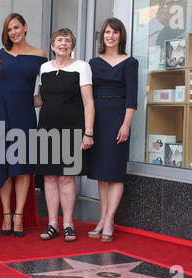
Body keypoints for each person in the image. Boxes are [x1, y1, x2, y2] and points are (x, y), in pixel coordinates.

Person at [0, 13, 47, 238]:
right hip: (2, 113)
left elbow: (46, 89)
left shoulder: (40, 56)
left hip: (25, 115)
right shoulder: (0, 55)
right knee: (4, 163)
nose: (14, 32)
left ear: (25, 27)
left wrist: (35, 101)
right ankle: (6, 214)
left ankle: (19, 214)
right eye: (9, 29)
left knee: (22, 166)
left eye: (17, 27)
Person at [36, 28, 95, 242]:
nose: (63, 44)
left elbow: (89, 102)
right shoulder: (43, 68)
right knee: (49, 177)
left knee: (66, 177)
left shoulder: (82, 67)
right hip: (46, 128)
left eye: (67, 41)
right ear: (52, 46)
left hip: (73, 129)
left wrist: (88, 133)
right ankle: (53, 224)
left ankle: (68, 224)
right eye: (59, 40)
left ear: (72, 46)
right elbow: (41, 99)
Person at [87, 18, 138, 243]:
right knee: (101, 172)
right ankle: (102, 218)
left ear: (121, 37)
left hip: (119, 117)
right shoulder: (93, 63)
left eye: (115, 32)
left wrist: (126, 124)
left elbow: (132, 98)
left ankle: (109, 221)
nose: (111, 36)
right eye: (107, 32)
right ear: (102, 36)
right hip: (98, 118)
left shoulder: (130, 63)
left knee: (115, 172)